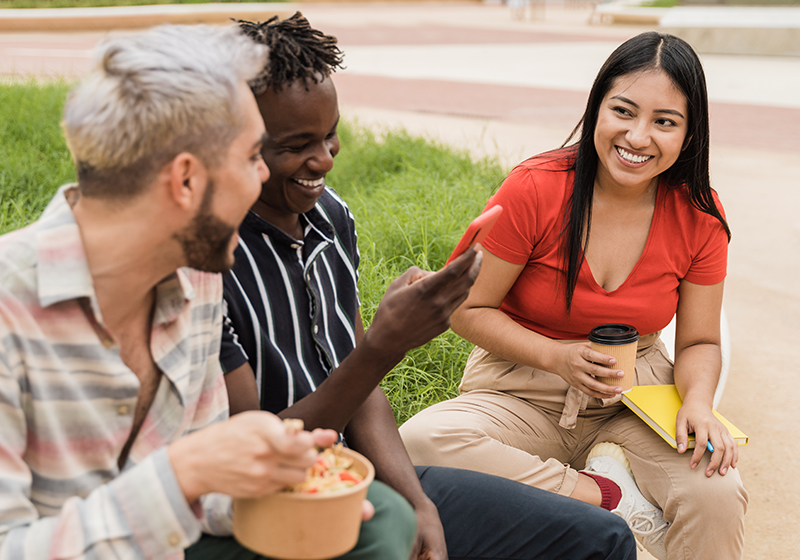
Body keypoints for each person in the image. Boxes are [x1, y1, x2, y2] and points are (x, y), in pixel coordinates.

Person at [216, 13, 638, 560]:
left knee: (601, 540)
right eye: (297, 145)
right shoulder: (211, 257)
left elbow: (359, 388)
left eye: (330, 134)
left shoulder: (329, 218)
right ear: (237, 140)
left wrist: (417, 501)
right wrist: (384, 347)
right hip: (275, 506)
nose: (323, 160)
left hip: (359, 475)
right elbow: (251, 455)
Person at [0, 24, 417, 560]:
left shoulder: (193, 281)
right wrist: (186, 473)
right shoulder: (11, 312)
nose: (262, 176)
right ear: (186, 181)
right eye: (251, 158)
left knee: (376, 522)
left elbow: (204, 490)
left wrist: (282, 477)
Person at [399, 31, 749, 560]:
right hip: (522, 389)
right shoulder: (536, 187)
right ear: (597, 108)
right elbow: (466, 308)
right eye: (623, 111)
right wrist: (557, 356)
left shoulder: (701, 214)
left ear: (689, 132)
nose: (638, 136)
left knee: (717, 492)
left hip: (635, 395)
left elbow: (700, 338)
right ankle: (605, 496)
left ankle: (608, 476)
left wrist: (697, 403)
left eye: (664, 122)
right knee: (420, 441)